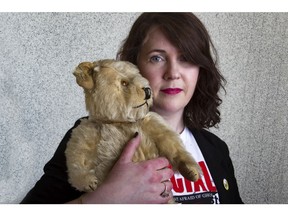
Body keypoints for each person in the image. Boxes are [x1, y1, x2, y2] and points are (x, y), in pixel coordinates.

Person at [21, 12, 243, 204]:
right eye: (157, 58)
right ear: (133, 67)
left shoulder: (216, 149)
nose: (173, 73)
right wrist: (102, 200)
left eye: (186, 58)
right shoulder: (93, 134)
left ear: (199, 70)